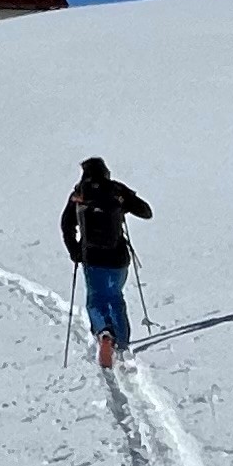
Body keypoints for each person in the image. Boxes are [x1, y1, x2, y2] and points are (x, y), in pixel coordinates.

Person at [61, 156, 152, 368]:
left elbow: (66, 224)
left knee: (96, 299)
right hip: (118, 258)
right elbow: (146, 212)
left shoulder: (79, 194)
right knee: (115, 297)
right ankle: (122, 344)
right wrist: (126, 202)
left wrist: (74, 250)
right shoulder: (116, 190)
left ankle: (104, 333)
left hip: (92, 258)